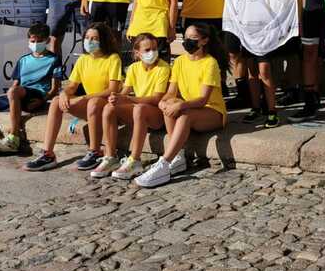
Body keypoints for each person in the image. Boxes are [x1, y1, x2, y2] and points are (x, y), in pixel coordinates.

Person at [134, 23, 228, 187]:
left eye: (193, 39)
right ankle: (178, 156)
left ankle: (163, 164)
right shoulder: (179, 62)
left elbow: (203, 100)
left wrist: (181, 105)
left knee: (185, 115)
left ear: (204, 41)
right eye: (186, 38)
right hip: (190, 107)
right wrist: (164, 101)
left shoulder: (210, 63)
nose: (188, 42)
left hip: (212, 111)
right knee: (170, 104)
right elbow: (171, 91)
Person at [25, 22, 123, 172]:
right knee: (57, 101)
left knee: (94, 102)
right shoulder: (83, 59)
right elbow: (72, 86)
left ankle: (95, 151)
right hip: (91, 106)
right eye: (87, 37)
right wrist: (64, 93)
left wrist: (84, 98)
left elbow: (112, 89)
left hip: (108, 107)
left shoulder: (113, 58)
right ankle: (48, 153)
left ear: (103, 40)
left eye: (94, 38)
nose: (90, 41)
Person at [0, 23, 62, 157]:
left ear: (47, 41)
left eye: (40, 41)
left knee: (14, 91)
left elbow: (55, 88)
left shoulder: (54, 59)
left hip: (37, 95)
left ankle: (14, 137)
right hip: (18, 95)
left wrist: (42, 101)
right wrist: (10, 96)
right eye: (33, 41)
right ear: (28, 41)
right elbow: (15, 84)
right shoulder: (23, 60)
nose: (36, 44)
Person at [92, 32, 170, 179]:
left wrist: (126, 99)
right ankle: (110, 157)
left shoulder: (163, 68)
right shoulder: (134, 68)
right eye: (147, 50)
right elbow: (125, 91)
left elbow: (156, 99)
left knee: (139, 108)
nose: (152, 52)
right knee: (109, 108)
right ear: (137, 53)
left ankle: (135, 160)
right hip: (138, 109)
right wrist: (116, 98)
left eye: (154, 48)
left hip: (156, 114)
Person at [240, 0, 285, 129]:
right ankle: (255, 107)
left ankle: (272, 110)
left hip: (265, 37)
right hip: (248, 34)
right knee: (252, 72)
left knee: (265, 72)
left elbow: (281, 9)